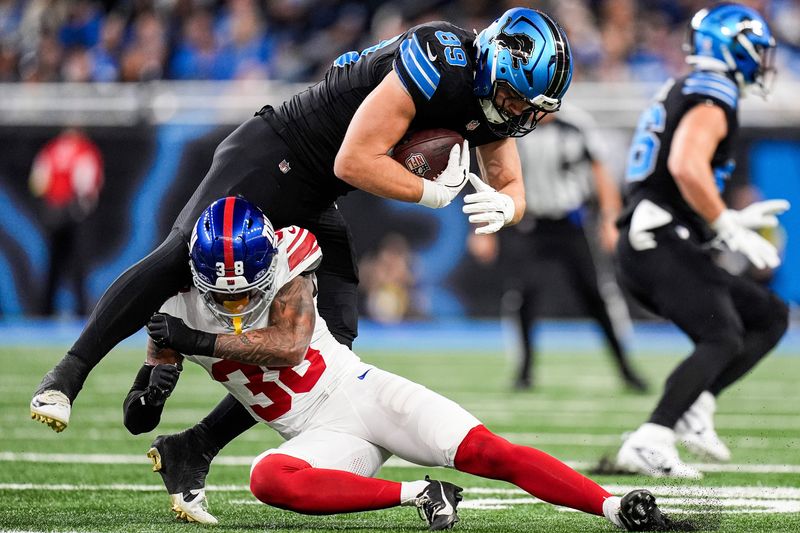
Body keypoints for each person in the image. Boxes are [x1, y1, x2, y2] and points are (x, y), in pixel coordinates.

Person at [31, 4, 573, 519]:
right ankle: (68, 375)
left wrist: (508, 206)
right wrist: (430, 195)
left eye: (531, 108)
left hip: (317, 195)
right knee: (178, 257)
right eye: (516, 97)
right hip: (277, 153)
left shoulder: (493, 100)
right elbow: (355, 159)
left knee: (337, 338)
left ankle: (194, 447)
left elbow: (508, 181)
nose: (519, 113)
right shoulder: (442, 59)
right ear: (495, 63)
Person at [130, 196, 674, 531]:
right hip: (316, 435)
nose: (235, 305)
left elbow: (290, 346)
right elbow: (142, 409)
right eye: (220, 297)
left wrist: (198, 340)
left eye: (246, 289)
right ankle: (420, 493)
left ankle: (613, 507)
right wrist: (151, 393)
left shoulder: (287, 260)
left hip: (360, 392)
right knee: (268, 477)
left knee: (488, 451)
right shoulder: (175, 307)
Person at [613, 4, 790, 479]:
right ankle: (650, 439)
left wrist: (718, 220)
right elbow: (686, 167)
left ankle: (696, 402)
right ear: (734, 49)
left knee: (768, 316)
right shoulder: (713, 91)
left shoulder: (689, 86)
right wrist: (725, 223)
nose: (764, 61)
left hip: (664, 237)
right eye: (758, 51)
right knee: (722, 336)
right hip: (657, 240)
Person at [492, 107, 648, 392]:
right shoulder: (512, 124)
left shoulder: (576, 124)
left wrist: (611, 217)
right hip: (532, 224)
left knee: (598, 296)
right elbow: (494, 171)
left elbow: (599, 170)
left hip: (571, 224)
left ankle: (626, 368)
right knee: (522, 296)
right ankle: (524, 372)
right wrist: (482, 227)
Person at [29, 128, 104, 315]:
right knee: (78, 264)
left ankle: (45, 310)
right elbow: (88, 183)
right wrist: (82, 206)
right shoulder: (84, 149)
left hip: (53, 211)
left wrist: (50, 203)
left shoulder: (51, 149)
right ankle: (81, 310)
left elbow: (38, 181)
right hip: (74, 212)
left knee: (54, 264)